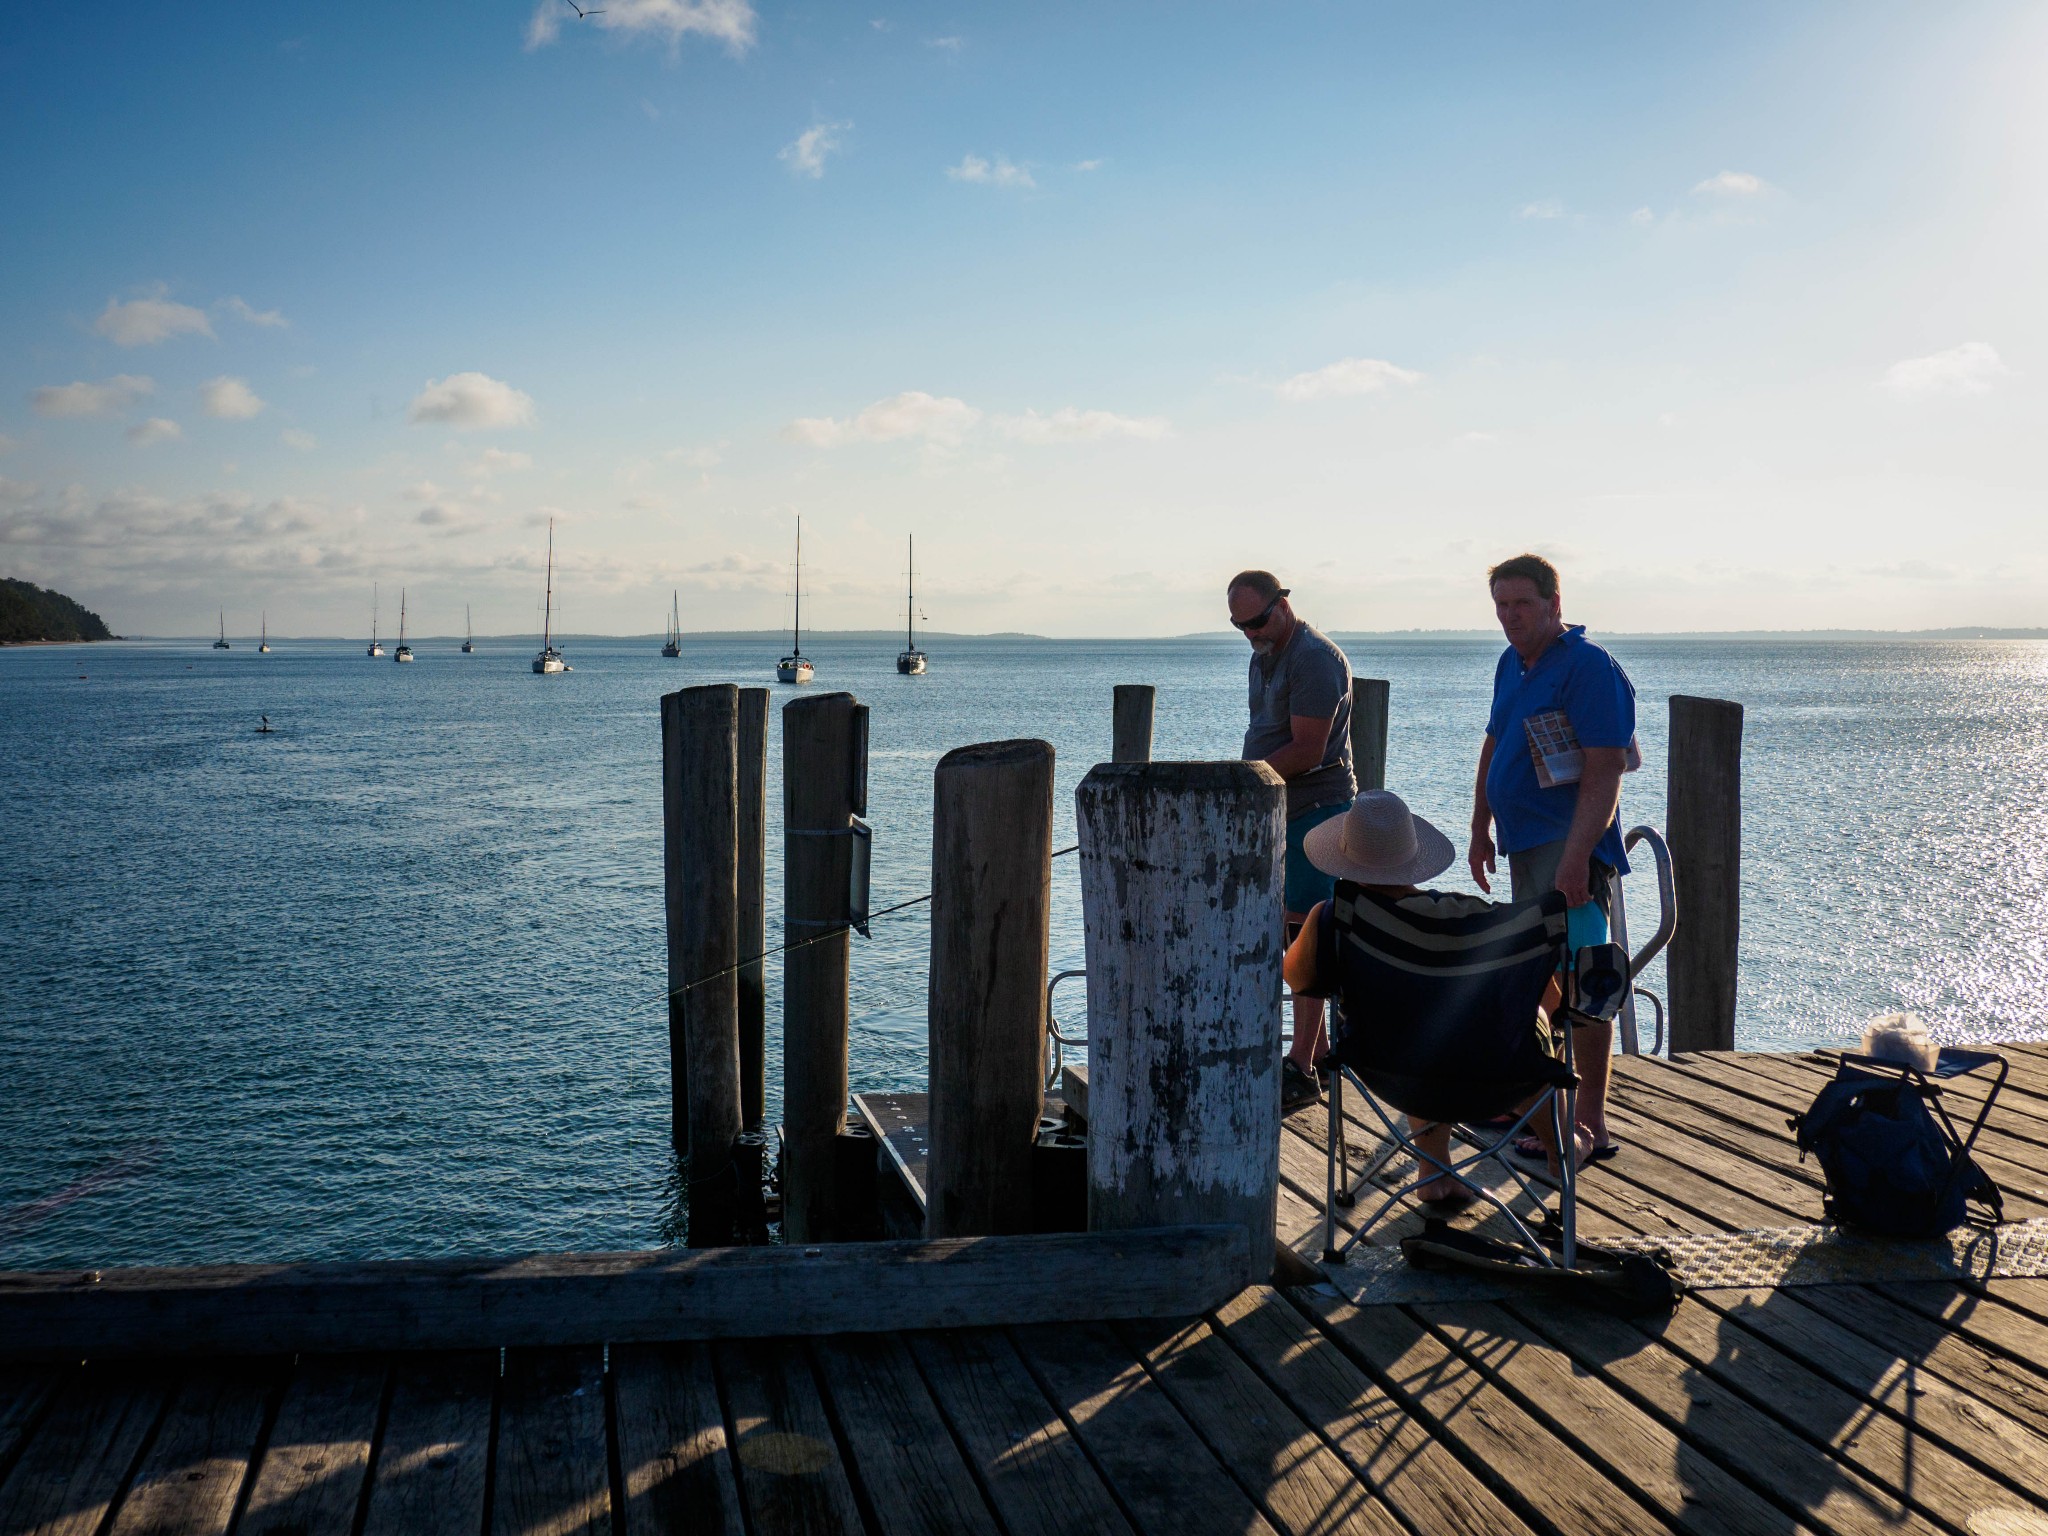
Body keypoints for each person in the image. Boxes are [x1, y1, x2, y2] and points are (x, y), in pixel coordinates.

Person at [1466, 553, 1636, 1168]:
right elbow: (1495, 742)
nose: (1510, 617)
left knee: (1587, 982)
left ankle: (1589, 1123)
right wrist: (1481, 824)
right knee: (1539, 977)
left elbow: (1607, 766)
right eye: (1501, 606)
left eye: (1522, 605)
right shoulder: (1512, 663)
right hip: (1522, 846)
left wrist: (1576, 859)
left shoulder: (1589, 668)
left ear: (1554, 605)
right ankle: (1543, 1106)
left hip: (1572, 852)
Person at [1280, 790, 1475, 1202]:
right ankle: (1557, 1160)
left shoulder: (1333, 919)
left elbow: (1297, 978)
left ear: (1345, 860)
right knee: (1433, 1034)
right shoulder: (1463, 915)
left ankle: (1434, 1171)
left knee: (1410, 1035)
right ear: (1414, 857)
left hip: (1379, 1061)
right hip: (1488, 1065)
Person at [1226, 570, 1355, 1110]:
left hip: (1316, 810)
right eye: (1239, 626)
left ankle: (1301, 1064)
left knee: (1307, 932)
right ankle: (1318, 1054)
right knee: (1287, 931)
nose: (1250, 633)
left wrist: (1242, 781)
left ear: (1283, 605)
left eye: (1256, 621)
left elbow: (1307, 749)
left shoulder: (1314, 659)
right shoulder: (1265, 653)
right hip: (1278, 808)